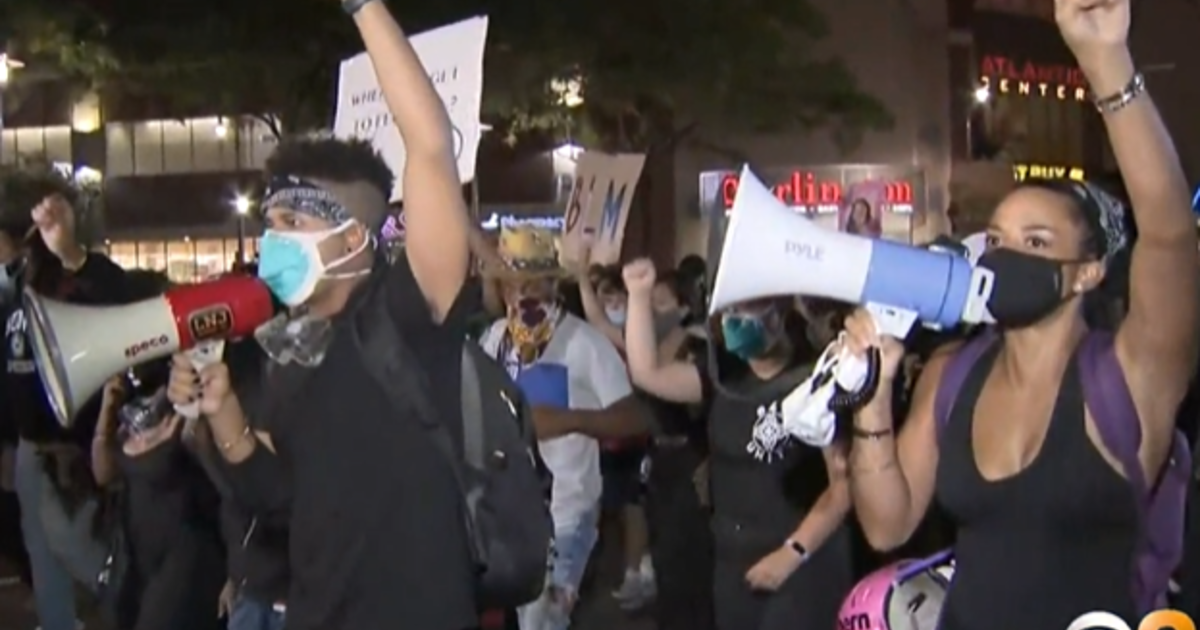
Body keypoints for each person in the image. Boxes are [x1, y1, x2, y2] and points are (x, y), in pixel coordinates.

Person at [842, 2, 1199, 627]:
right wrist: (871, 397)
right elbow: (886, 523)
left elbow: (1169, 232)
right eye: (1000, 239)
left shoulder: (1129, 376)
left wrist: (1104, 58)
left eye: (1036, 243)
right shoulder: (952, 375)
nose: (1008, 256)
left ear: (1087, 272)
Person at [165, 2, 479, 629]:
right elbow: (276, 497)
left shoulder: (412, 312)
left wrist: (364, 10)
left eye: (294, 223)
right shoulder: (289, 349)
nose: (272, 241)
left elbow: (430, 145)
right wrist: (223, 410)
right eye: (270, 225)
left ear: (356, 237)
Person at [623, 259, 853, 630]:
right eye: (730, 311)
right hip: (732, 562)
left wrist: (792, 553)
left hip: (801, 564)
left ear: (779, 313)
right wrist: (638, 294)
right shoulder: (725, 378)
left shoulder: (816, 382)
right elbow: (648, 373)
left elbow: (842, 487)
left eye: (747, 310)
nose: (735, 321)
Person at [476, 225, 645, 630]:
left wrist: (569, 420)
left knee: (543, 622)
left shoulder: (584, 342)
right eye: (513, 284)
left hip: (567, 513)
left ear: (553, 283)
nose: (523, 294)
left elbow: (636, 416)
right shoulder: (495, 338)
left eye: (534, 283)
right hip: (507, 510)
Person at [1, 181, 129, 630]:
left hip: (74, 451)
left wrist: (70, 252)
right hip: (29, 447)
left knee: (84, 551)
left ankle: (128, 609)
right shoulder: (12, 291)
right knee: (43, 557)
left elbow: (118, 298)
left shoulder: (70, 282)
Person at [90, 367, 226, 630]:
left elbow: (200, 449)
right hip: (140, 553)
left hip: (187, 548)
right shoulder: (132, 386)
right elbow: (104, 473)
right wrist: (107, 412)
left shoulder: (188, 380)